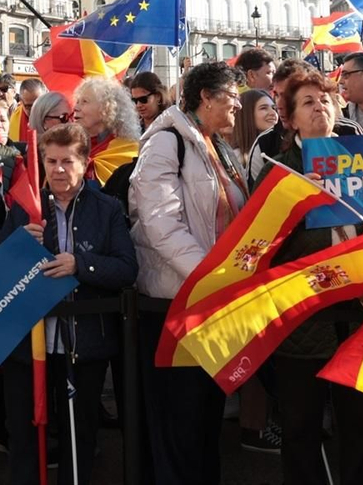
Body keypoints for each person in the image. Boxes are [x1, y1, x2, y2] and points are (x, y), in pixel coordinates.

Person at [260, 69, 363, 484]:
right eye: (307, 102)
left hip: (361, 310)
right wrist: (295, 203)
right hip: (304, 315)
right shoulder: (278, 172)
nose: (319, 107)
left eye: (325, 100)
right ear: (289, 118)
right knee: (301, 425)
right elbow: (261, 246)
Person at [0, 123, 138, 485]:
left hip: (84, 344)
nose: (58, 169)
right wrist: (15, 245)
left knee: (80, 435)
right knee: (24, 434)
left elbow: (127, 268)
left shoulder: (106, 208)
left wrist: (81, 265)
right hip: (28, 345)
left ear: (84, 163)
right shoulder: (25, 208)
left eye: (67, 161)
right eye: (51, 161)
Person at [129, 61, 248, 485]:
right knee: (179, 419)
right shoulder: (166, 143)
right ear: (206, 98)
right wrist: (208, 277)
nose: (238, 105)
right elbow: (161, 223)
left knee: (205, 418)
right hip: (174, 303)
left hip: (210, 300)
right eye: (231, 97)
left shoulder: (218, 146)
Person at [72, 76, 140, 199]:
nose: (76, 107)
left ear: (106, 108)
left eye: (84, 101)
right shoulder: (69, 146)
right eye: (77, 101)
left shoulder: (129, 150)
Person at [231, 89, 277, 158]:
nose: (273, 113)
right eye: (263, 108)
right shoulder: (235, 157)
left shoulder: (283, 149)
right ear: (247, 115)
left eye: (274, 108)